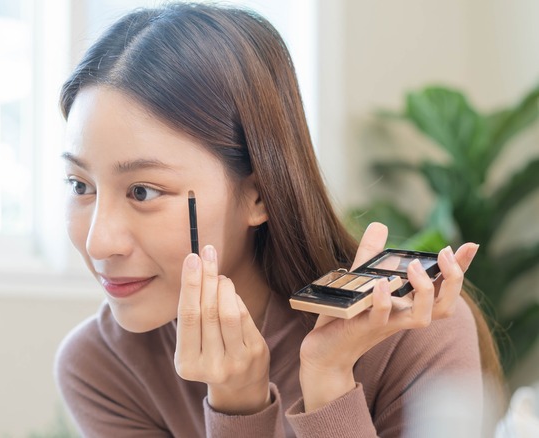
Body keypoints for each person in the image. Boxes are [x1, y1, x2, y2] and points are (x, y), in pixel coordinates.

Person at [54, 3, 499, 436]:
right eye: (80, 185)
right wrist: (236, 406)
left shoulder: (414, 332)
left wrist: (329, 381)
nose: (98, 243)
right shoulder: (100, 368)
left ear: (259, 194)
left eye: (142, 192)